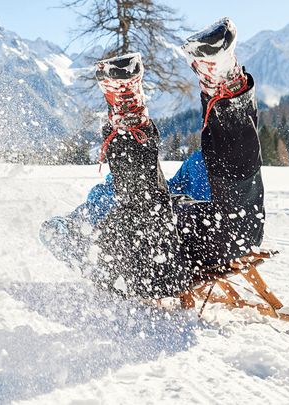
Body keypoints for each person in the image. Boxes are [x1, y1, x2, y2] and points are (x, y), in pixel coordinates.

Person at [40, 17, 266, 299]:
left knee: (163, 248)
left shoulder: (103, 207)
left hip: (160, 231)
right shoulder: (103, 208)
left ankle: (136, 115)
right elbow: (61, 231)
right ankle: (222, 90)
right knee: (237, 231)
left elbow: (58, 232)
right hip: (161, 230)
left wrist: (65, 234)